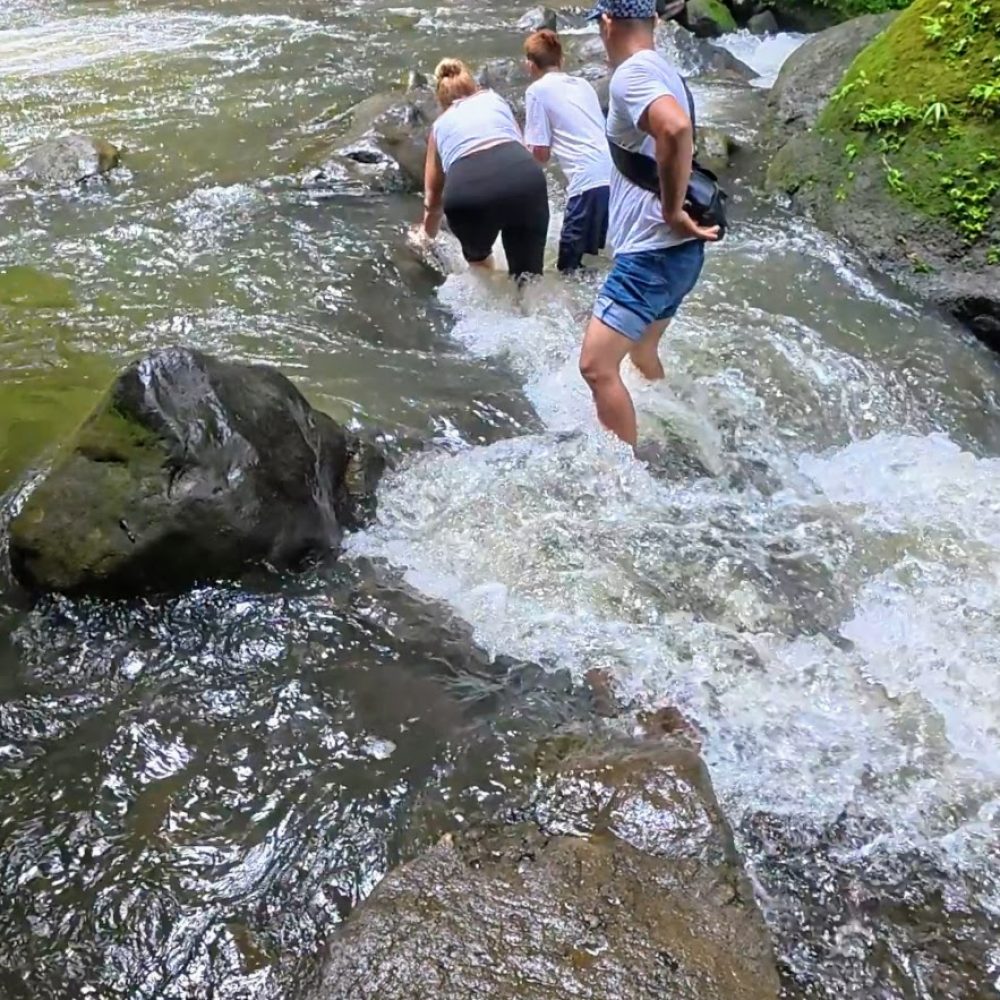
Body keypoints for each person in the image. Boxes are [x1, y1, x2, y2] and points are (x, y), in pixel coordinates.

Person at [577, 0, 718, 450]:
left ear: (606, 22)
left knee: (596, 367)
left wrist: (672, 210)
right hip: (678, 254)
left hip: (651, 251)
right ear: (654, 20)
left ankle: (625, 473)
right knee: (641, 351)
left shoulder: (631, 75)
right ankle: (680, 427)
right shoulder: (665, 70)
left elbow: (674, 129)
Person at [418, 58, 549, 281]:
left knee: (481, 270)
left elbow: (433, 202)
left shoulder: (439, 127)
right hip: (523, 178)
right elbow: (521, 145)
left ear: (441, 100)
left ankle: (490, 288)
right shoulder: (495, 99)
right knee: (529, 278)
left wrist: (425, 237)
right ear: (474, 86)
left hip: (469, 195)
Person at [523, 29, 611, 274]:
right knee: (597, 261)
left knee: (568, 269)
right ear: (561, 60)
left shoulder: (536, 91)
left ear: (530, 65)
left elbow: (540, 154)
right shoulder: (584, 85)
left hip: (586, 183)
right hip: (613, 177)